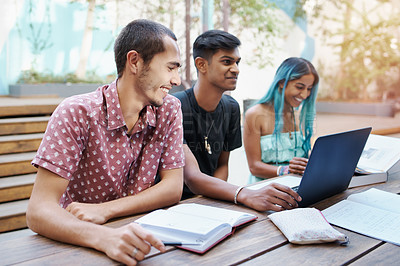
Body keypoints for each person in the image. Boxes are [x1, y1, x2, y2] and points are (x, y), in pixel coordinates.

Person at [26, 19, 185, 265]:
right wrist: (105, 238)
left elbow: (173, 187)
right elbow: (38, 211)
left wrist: (106, 209)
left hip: (141, 238)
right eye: (170, 68)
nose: (176, 80)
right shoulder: (76, 112)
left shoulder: (170, 109)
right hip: (77, 241)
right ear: (134, 61)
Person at [173, 30, 301, 212]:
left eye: (237, 62)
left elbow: (222, 164)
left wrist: (214, 200)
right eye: (227, 62)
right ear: (201, 65)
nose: (236, 69)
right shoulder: (174, 107)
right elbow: (191, 178)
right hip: (178, 204)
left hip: (213, 197)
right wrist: (242, 194)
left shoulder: (232, 107)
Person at [243, 57, 319, 184]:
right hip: (263, 188)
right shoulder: (255, 114)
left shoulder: (298, 115)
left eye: (309, 89)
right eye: (300, 87)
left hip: (296, 185)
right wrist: (285, 170)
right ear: (282, 82)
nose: (305, 95)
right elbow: (254, 167)